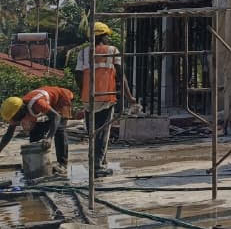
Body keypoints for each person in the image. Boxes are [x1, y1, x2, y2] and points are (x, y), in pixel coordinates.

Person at [76, 22, 134, 176]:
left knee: (93, 132)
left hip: (88, 99)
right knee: (103, 132)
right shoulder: (112, 50)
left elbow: (78, 75)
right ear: (103, 36)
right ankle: (97, 166)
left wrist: (84, 92)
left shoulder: (83, 52)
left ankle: (101, 161)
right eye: (107, 35)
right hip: (106, 97)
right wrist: (129, 97)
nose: (108, 38)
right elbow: (121, 75)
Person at [0, 85, 76, 175]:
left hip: (62, 99)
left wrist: (49, 138)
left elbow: (56, 117)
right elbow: (8, 134)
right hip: (49, 105)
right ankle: (37, 164)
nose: (17, 121)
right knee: (36, 133)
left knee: (59, 129)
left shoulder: (37, 103)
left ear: (21, 110)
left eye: (16, 118)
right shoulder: (18, 111)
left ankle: (62, 165)